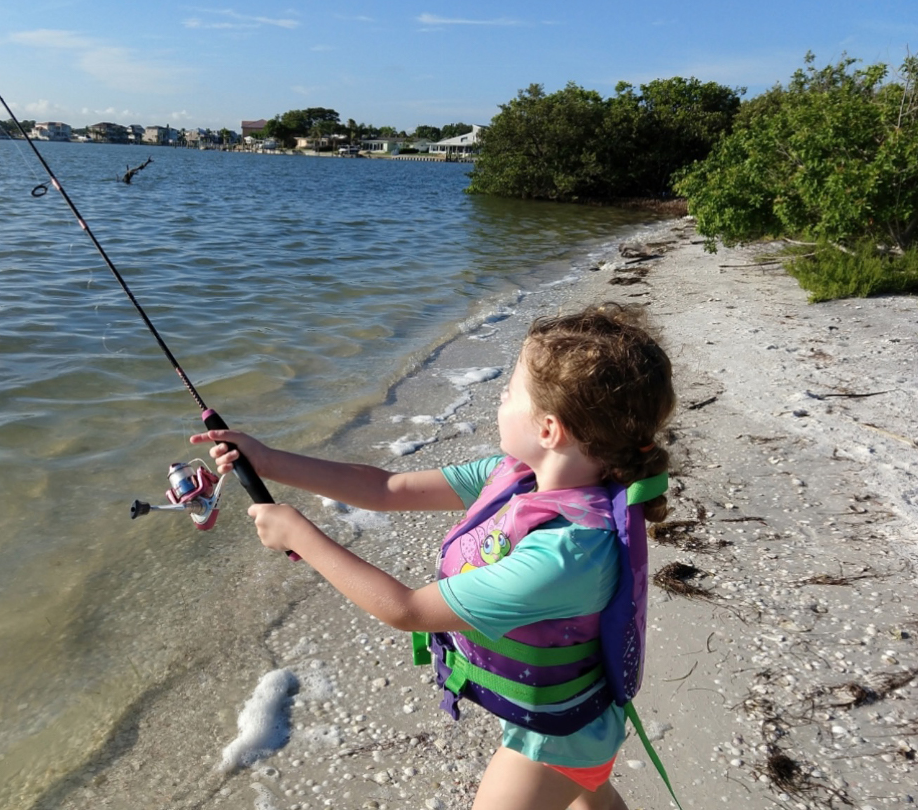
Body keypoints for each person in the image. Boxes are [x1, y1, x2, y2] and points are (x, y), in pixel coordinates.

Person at [190, 303, 676, 810]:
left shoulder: (567, 553)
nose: (501, 396)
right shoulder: (516, 477)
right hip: (571, 713)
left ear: (550, 430)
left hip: (560, 735)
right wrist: (268, 460)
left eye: (511, 390)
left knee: (575, 791)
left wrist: (300, 536)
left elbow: (408, 610)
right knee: (592, 801)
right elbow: (385, 488)